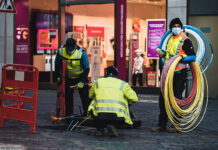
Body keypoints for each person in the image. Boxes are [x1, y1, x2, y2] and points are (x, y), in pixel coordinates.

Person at [151, 18, 196, 133]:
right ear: (171, 28)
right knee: (163, 100)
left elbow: (193, 57)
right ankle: (162, 125)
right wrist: (163, 53)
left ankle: (175, 125)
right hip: (167, 73)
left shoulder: (185, 40)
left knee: (176, 100)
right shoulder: (169, 39)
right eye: (174, 26)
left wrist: (181, 58)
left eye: (178, 26)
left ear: (181, 28)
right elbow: (169, 55)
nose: (176, 28)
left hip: (179, 74)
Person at [88, 66, 138, 137]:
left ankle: (99, 129)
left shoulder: (97, 82)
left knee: (93, 102)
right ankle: (113, 125)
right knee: (124, 101)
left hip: (100, 116)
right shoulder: (123, 84)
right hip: (118, 117)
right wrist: (126, 101)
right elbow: (135, 98)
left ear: (106, 74)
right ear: (116, 74)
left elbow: (90, 95)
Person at [55, 38, 90, 117]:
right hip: (68, 77)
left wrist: (82, 81)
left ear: (75, 46)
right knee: (68, 97)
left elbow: (87, 68)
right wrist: (58, 77)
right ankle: (69, 114)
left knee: (84, 96)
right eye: (68, 48)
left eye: (71, 48)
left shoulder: (81, 53)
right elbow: (57, 64)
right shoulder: (61, 50)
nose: (70, 50)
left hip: (80, 76)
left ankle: (87, 113)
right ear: (66, 46)